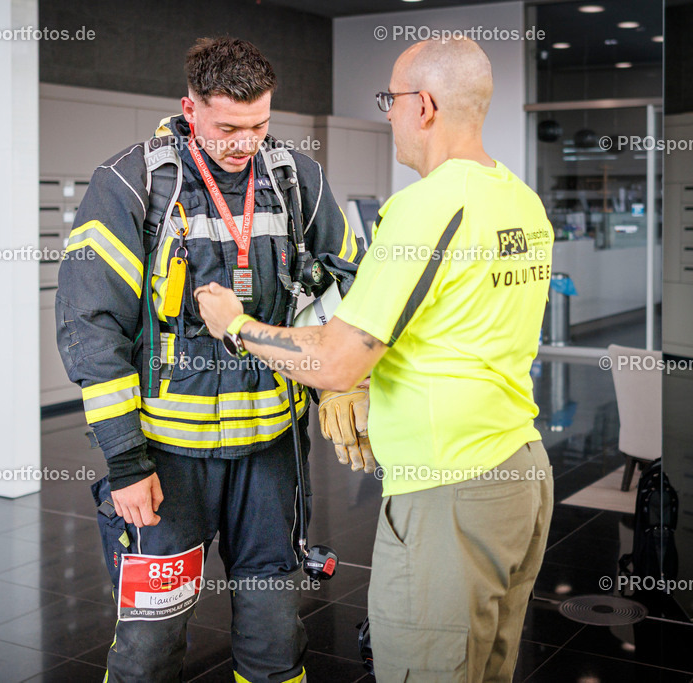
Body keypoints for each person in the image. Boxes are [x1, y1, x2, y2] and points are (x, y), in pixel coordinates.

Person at [196, 37, 555, 682]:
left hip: (448, 489)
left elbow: (336, 361)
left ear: (424, 106)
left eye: (391, 100)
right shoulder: (519, 201)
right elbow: (446, 328)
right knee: (486, 669)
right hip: (519, 473)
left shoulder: (426, 207)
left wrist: (237, 326)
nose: (388, 114)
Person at [56, 37, 364, 682]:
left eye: (259, 125)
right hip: (166, 459)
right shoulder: (132, 183)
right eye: (228, 128)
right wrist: (125, 462)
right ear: (189, 108)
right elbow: (91, 328)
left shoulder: (295, 178)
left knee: (275, 629)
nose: (245, 143)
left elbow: (346, 286)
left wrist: (342, 383)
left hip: (272, 449)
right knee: (150, 640)